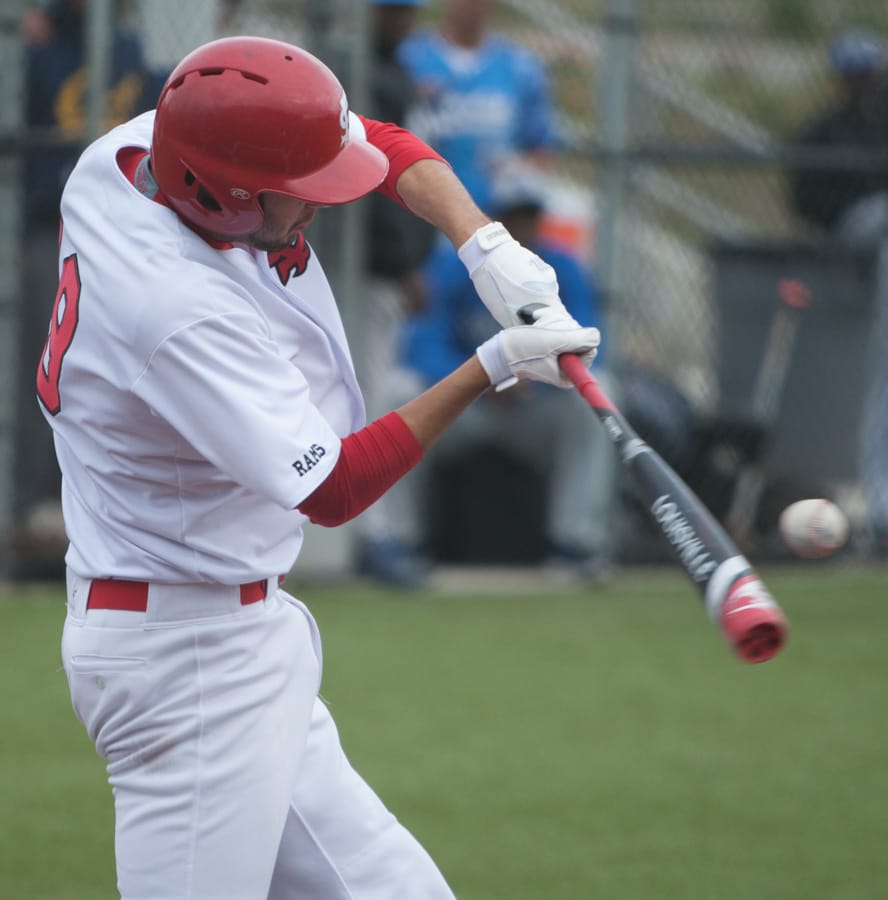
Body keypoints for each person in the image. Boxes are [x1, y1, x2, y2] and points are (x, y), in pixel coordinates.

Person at [40, 35, 599, 898]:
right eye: (295, 195)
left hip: (234, 631)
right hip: (185, 660)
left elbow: (375, 141)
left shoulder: (134, 153)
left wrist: (484, 245)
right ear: (223, 196)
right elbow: (332, 489)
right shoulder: (176, 307)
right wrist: (490, 365)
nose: (319, 206)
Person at [374, 169, 616, 581]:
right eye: (510, 217)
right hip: (466, 409)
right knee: (399, 390)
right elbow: (421, 347)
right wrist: (488, 375)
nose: (521, 227)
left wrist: (531, 376)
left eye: (529, 216)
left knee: (601, 394)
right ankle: (395, 543)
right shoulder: (454, 266)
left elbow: (592, 346)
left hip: (533, 410)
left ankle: (577, 544)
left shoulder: (564, 268)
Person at [13, 0, 164, 578]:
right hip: (43, 233)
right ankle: (33, 513)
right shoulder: (37, 47)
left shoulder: (135, 53)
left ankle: (97, 517)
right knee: (44, 376)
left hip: (123, 244)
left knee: (108, 379)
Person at [786, 27, 888, 551]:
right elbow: (806, 203)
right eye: (852, 75)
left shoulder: (882, 124)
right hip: (855, 243)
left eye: (866, 73)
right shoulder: (824, 131)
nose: (861, 84)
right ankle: (883, 516)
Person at [353, 0, 439, 584]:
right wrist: (402, 263)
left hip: (382, 270)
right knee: (363, 401)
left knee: (380, 393)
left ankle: (374, 534)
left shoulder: (392, 69)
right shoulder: (361, 71)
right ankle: (367, 537)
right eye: (392, 9)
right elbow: (367, 180)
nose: (402, 16)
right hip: (363, 271)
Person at [397, 0, 559, 212]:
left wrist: (516, 171)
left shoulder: (520, 67)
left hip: (493, 216)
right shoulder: (409, 58)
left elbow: (539, 145)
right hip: (421, 209)